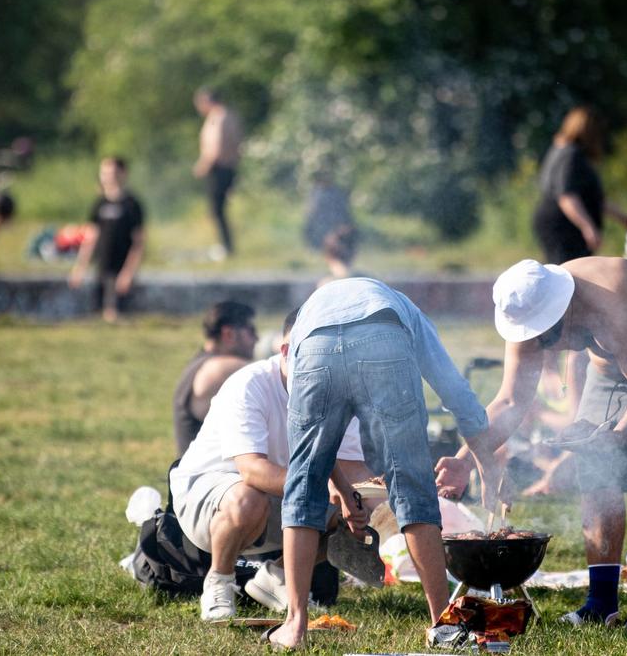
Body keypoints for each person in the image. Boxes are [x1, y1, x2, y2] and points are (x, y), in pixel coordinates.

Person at [483, 258, 627, 626]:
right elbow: (510, 401)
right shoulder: (528, 308)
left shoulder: (612, 307)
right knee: (595, 473)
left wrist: (617, 436)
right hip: (612, 366)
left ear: (562, 312)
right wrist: (467, 457)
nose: (544, 347)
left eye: (545, 336)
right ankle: (601, 605)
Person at [268, 277, 496, 651]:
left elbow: (310, 458)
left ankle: (294, 624)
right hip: (384, 338)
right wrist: (485, 464)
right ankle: (442, 622)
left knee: (302, 486)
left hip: (314, 348)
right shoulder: (404, 309)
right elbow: (453, 388)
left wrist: (336, 487)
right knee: (411, 486)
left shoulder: (308, 317)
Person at [171, 308, 373, 621]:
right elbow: (252, 470)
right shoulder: (248, 384)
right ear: (286, 351)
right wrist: (325, 487)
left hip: (282, 493)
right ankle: (219, 582)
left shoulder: (336, 393)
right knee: (249, 496)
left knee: (360, 509)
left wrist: (385, 491)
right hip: (210, 495)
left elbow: (348, 468)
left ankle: (275, 579)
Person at [531, 107, 625, 263]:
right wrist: (587, 227)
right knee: (569, 275)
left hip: (555, 222)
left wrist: (624, 219)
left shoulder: (561, 150)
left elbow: (594, 200)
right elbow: (567, 197)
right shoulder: (571, 155)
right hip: (564, 227)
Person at [172, 301, 259, 457]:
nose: (257, 338)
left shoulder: (202, 364)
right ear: (228, 334)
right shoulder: (217, 369)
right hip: (205, 477)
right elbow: (270, 369)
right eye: (251, 331)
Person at [69, 157, 146, 322]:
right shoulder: (99, 203)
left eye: (112, 173)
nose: (108, 177)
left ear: (123, 174)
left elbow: (138, 243)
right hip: (102, 266)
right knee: (97, 315)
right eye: (104, 173)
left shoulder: (132, 204)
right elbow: (90, 237)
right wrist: (80, 267)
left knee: (116, 316)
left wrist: (128, 273)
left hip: (121, 268)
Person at [192, 88, 243, 260]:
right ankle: (226, 245)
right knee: (220, 209)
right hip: (229, 167)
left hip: (218, 168)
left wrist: (202, 166)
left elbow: (215, 147)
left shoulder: (217, 118)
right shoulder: (230, 116)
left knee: (216, 210)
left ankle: (226, 246)